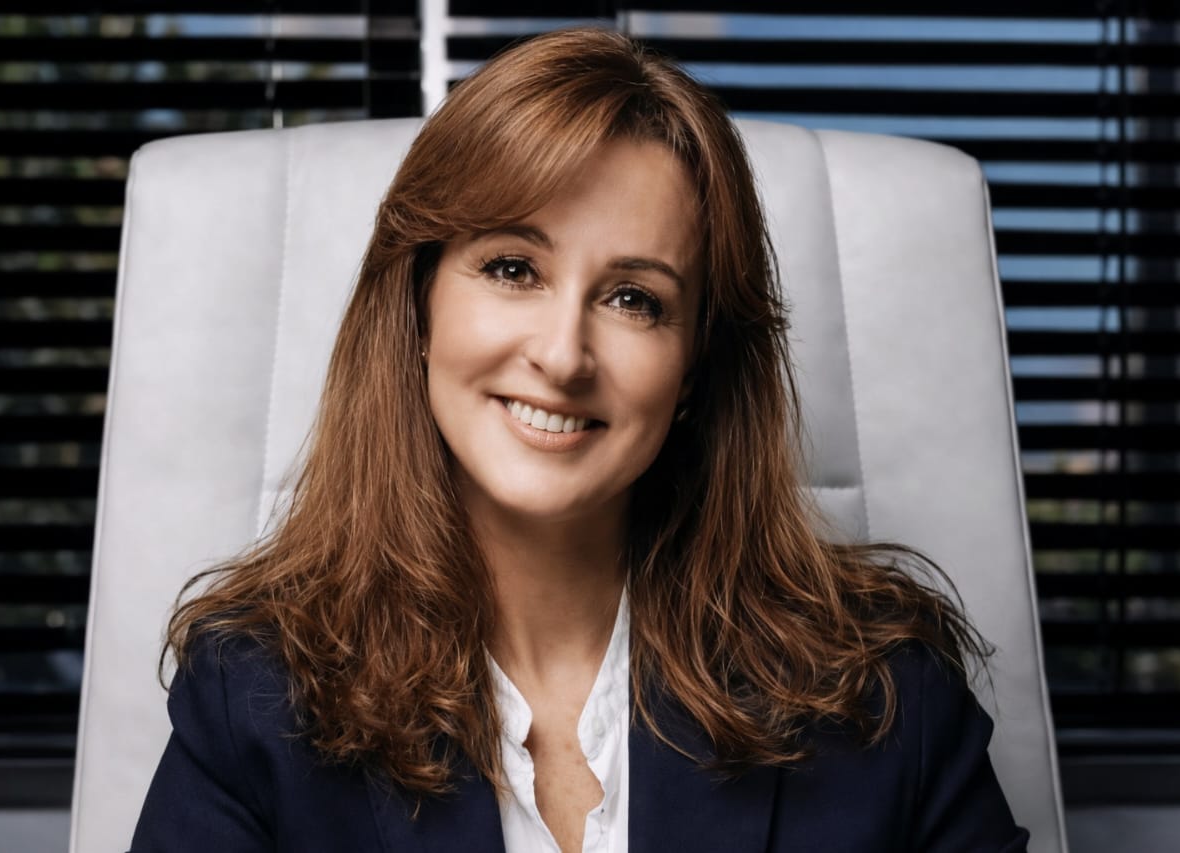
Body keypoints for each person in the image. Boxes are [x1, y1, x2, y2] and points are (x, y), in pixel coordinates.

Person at [130, 27, 1029, 853]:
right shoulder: (252, 695)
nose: (563, 356)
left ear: (694, 369)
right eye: (513, 268)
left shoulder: (888, 697)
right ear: (419, 305)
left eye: (635, 298)